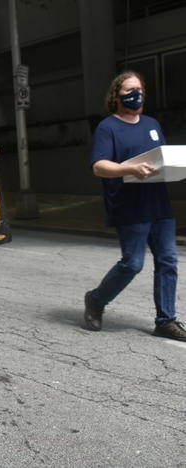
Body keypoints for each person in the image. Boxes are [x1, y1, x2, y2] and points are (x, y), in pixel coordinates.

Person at [84, 71, 186, 341]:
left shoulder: (151, 124)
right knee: (132, 264)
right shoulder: (108, 127)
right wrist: (130, 168)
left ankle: (166, 320)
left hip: (159, 205)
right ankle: (96, 299)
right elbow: (99, 166)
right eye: (130, 90)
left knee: (168, 262)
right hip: (130, 207)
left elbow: (160, 158)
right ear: (116, 96)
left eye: (139, 89)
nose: (136, 94)